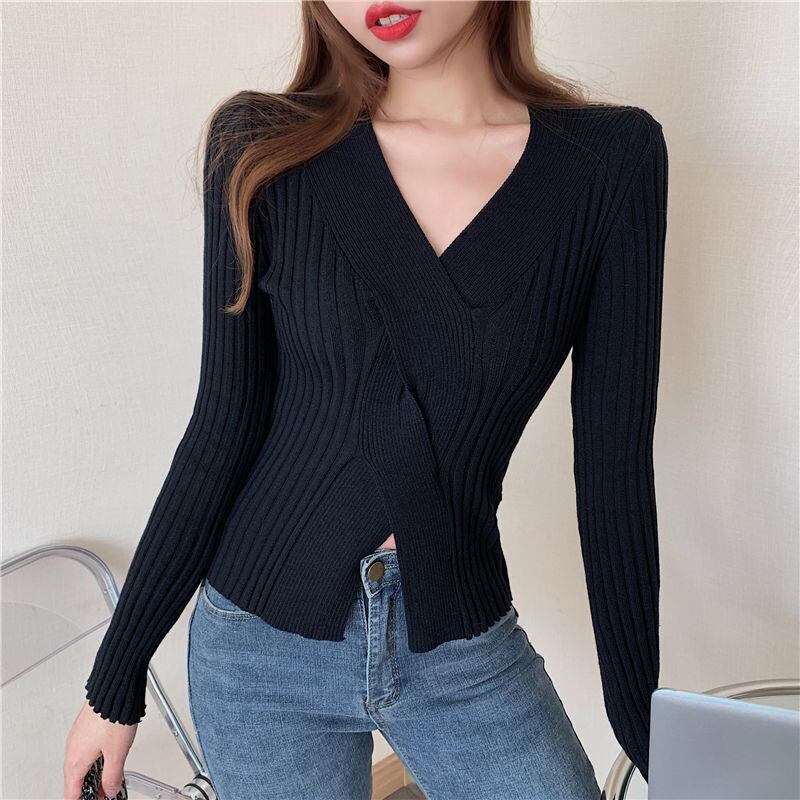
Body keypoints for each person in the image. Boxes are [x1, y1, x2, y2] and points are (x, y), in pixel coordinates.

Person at [63, 2, 668, 798]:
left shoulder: (609, 161)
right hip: (257, 647)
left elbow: (615, 476)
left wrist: (657, 743)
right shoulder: (262, 145)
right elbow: (222, 428)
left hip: (459, 643)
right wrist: (114, 683)